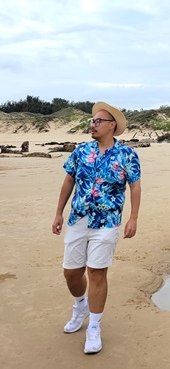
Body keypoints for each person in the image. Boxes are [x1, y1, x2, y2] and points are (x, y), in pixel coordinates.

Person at [52, 101, 141, 355]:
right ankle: (80, 305)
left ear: (112, 125)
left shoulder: (127, 155)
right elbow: (68, 180)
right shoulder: (81, 151)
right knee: (71, 272)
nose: (93, 124)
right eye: (92, 121)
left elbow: (135, 186)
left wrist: (133, 218)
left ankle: (94, 326)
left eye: (98, 121)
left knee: (97, 273)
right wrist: (58, 212)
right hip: (78, 218)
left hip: (107, 222)